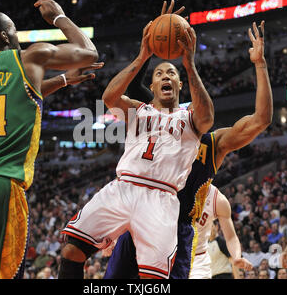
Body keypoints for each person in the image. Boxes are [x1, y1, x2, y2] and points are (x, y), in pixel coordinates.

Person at [104, 19, 272, 279]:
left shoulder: (213, 143)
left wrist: (260, 64)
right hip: (137, 224)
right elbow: (120, 99)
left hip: (176, 231)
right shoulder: (153, 125)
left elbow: (261, 119)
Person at [58, 1, 214, 280]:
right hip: (123, 188)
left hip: (161, 199)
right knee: (72, 251)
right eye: (159, 73)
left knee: (152, 280)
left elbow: (208, 117)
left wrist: (189, 64)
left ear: (179, 85)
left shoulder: (190, 117)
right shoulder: (137, 110)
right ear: (152, 86)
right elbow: (109, 98)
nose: (166, 75)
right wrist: (144, 55)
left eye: (172, 74)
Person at [0, 0, 102, 279]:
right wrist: (58, 17)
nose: (17, 36)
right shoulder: (28, 56)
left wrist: (62, 80)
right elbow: (88, 52)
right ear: (4, 36)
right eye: (14, 31)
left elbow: (18, 96)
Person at [189, 185, 253, 279]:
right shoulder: (176, 185)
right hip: (172, 253)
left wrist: (236, 256)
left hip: (199, 259)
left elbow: (231, 237)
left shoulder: (218, 200)